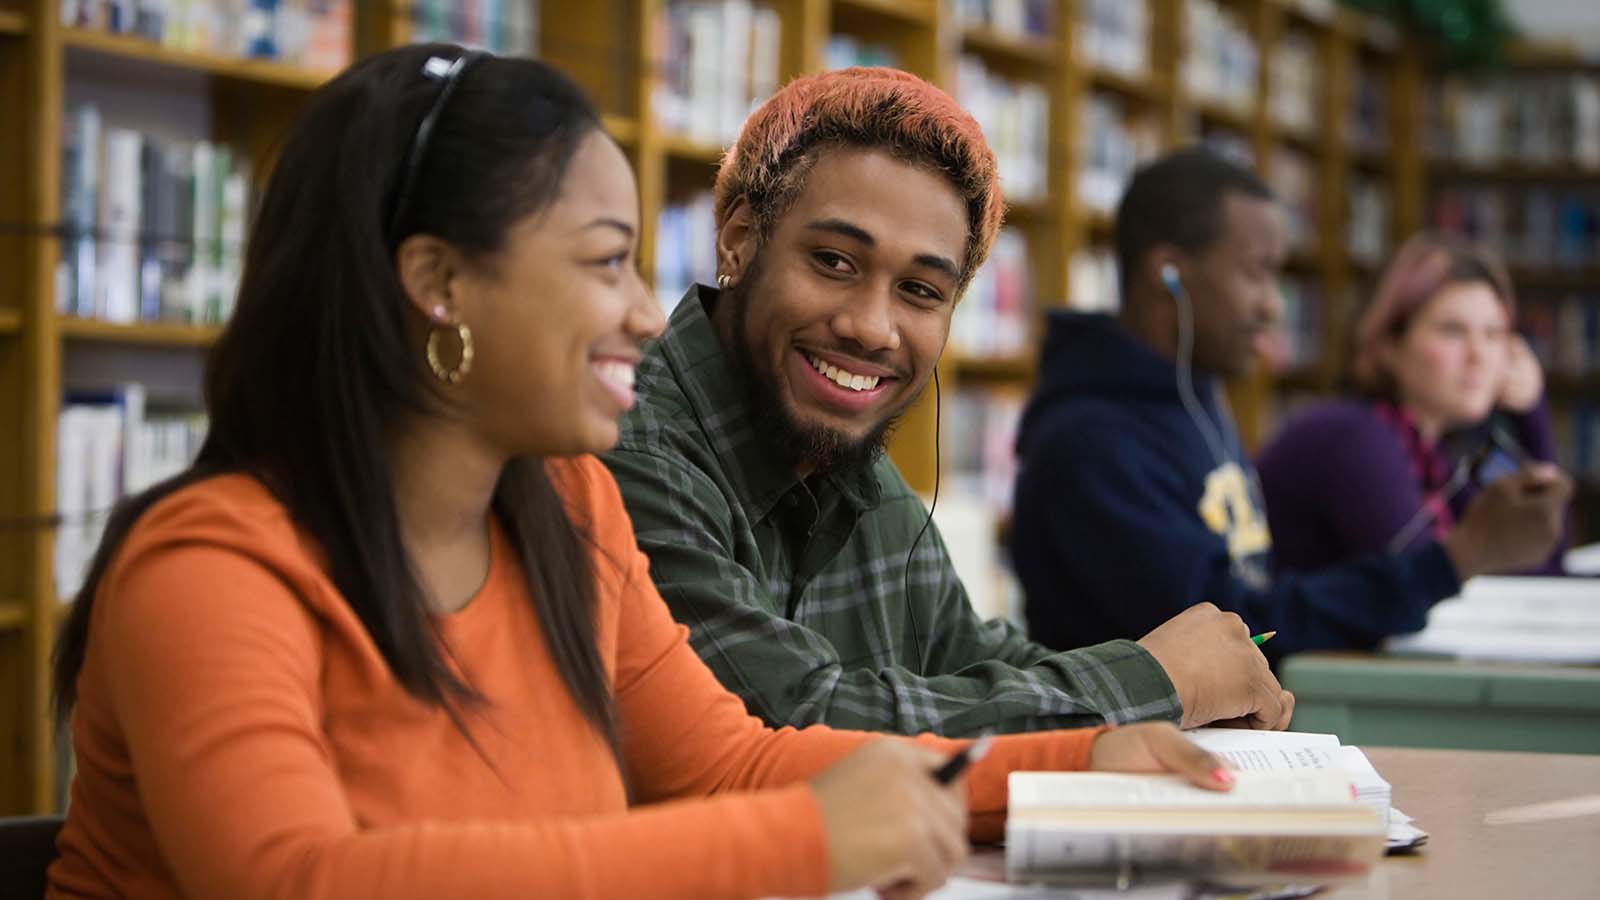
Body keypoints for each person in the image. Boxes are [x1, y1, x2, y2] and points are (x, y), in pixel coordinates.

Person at [45, 47, 1234, 900]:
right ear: (439, 281)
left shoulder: (560, 505)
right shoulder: (208, 565)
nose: (636, 314)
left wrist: (1084, 754)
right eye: (605, 263)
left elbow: (731, 761)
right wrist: (803, 844)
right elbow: (299, 878)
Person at [601, 68, 1291, 737]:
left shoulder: (853, 471)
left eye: (921, 291)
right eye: (834, 261)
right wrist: (1152, 682)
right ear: (739, 237)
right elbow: (789, 719)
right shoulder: (625, 449)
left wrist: (1191, 698)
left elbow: (975, 658)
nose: (872, 326)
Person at [1010, 149, 1571, 661]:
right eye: (1257, 273)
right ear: (1170, 274)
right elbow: (1221, 635)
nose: (1274, 306)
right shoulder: (1091, 443)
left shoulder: (1193, 398)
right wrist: (1455, 559)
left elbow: (1255, 603)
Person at [1257, 234, 1566, 575]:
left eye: (1493, 334)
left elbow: (1541, 557)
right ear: (1388, 346)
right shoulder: (1353, 439)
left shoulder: (1432, 455)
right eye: (1453, 331)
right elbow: (1433, 588)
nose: (1479, 355)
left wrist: (1530, 415)